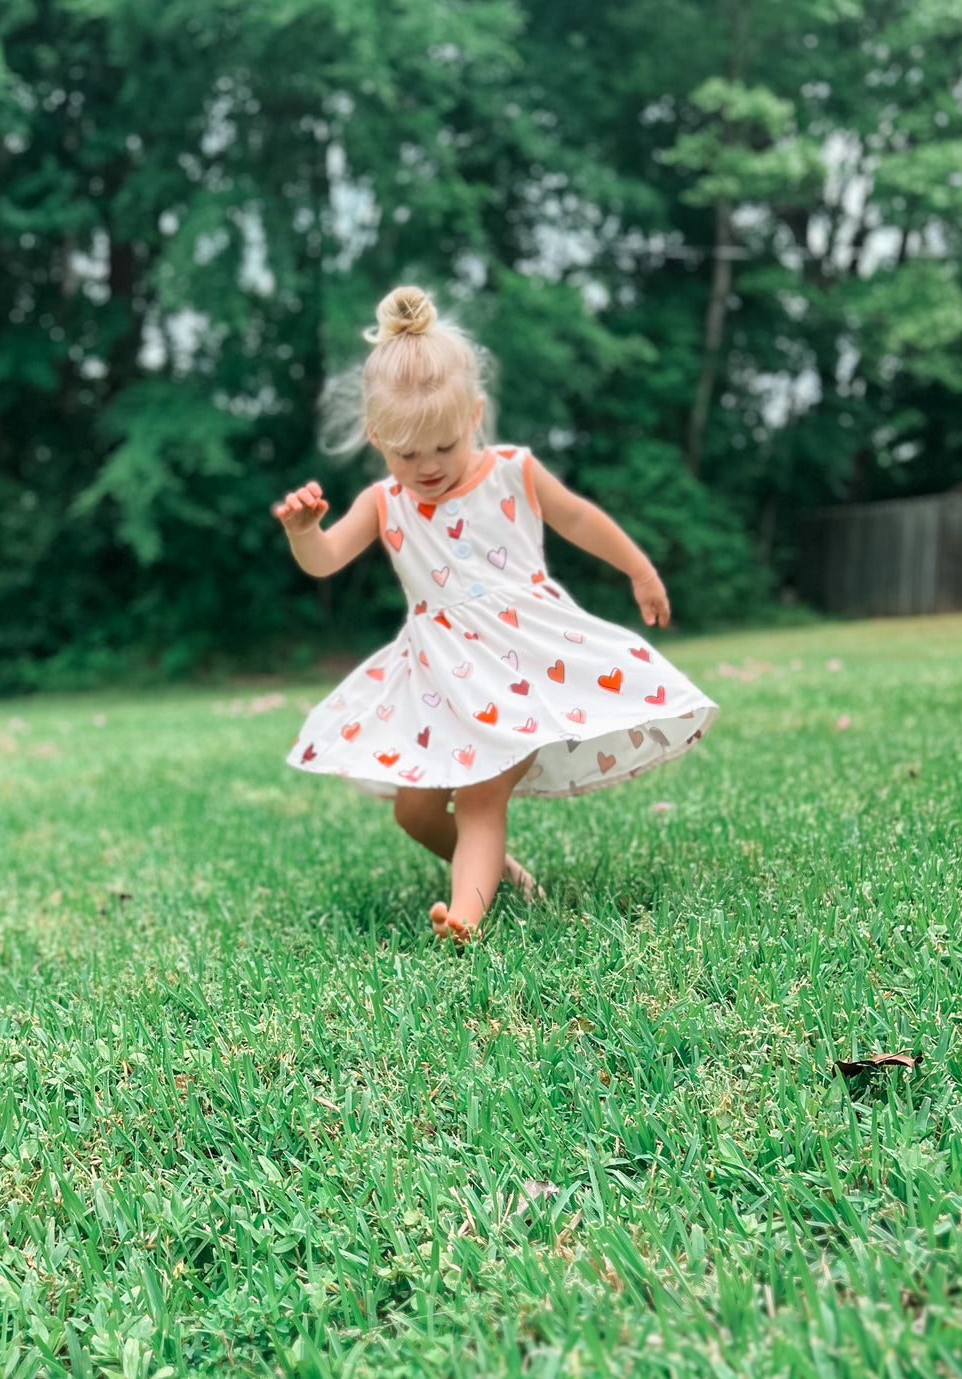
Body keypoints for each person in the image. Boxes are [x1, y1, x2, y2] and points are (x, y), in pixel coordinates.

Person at [275, 285, 718, 942]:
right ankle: (498, 873)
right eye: (406, 454)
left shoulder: (512, 472)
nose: (426, 467)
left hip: (517, 667)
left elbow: (578, 518)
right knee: (415, 812)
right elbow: (324, 559)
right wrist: (304, 531)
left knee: (481, 794)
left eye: (444, 447)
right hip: (438, 680)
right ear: (378, 439)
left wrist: (638, 567)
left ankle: (466, 916)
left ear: (475, 416)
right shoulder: (383, 502)